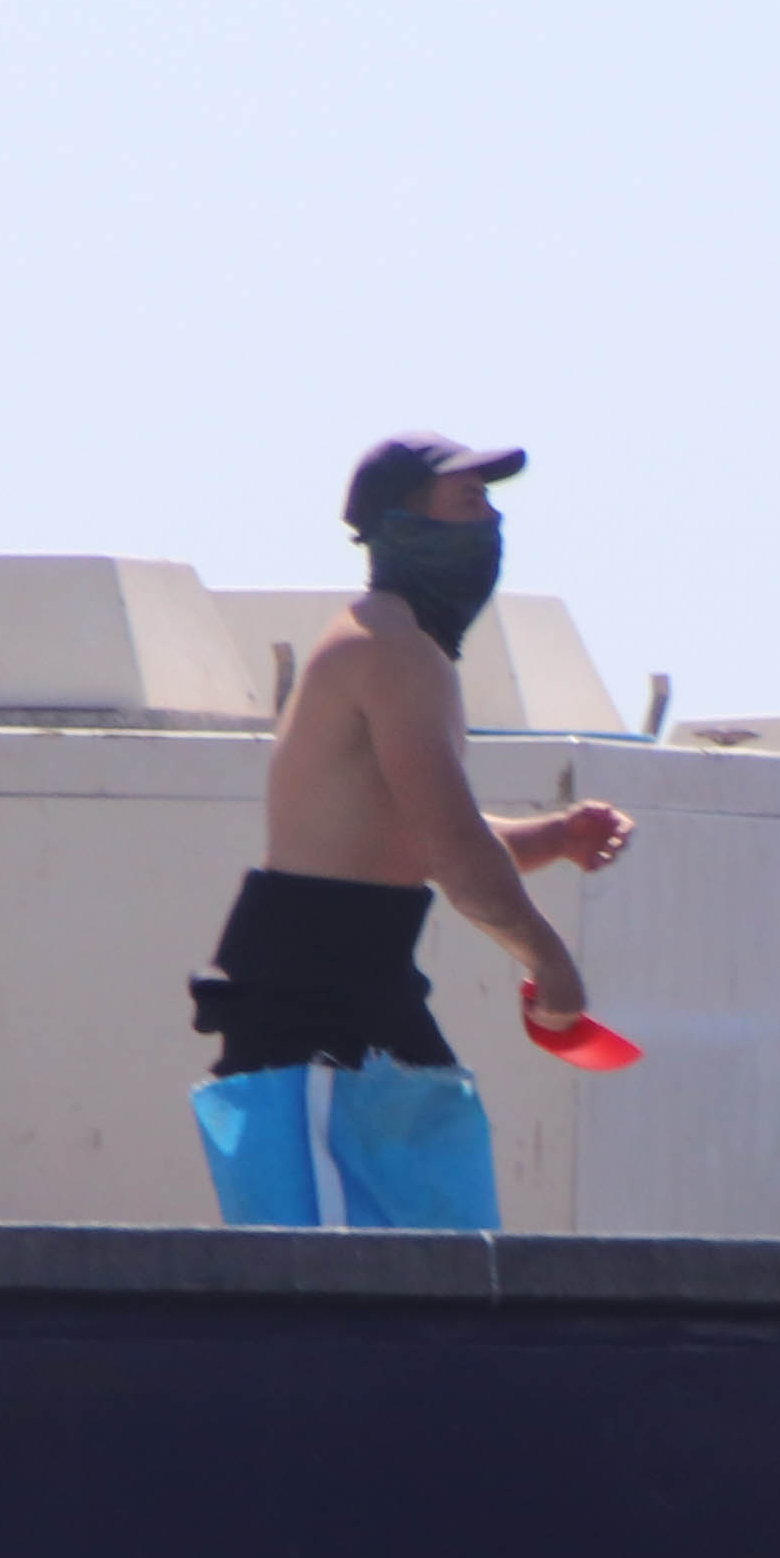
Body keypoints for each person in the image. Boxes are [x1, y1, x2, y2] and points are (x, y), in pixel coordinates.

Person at [182, 436, 633, 1224]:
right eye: (469, 502)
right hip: (310, 994)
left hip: (364, 981)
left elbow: (419, 831)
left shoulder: (399, 648)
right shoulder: (390, 652)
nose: (491, 525)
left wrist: (555, 836)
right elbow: (455, 853)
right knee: (337, 1272)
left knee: (441, 1252)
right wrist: (551, 964)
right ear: (401, 525)